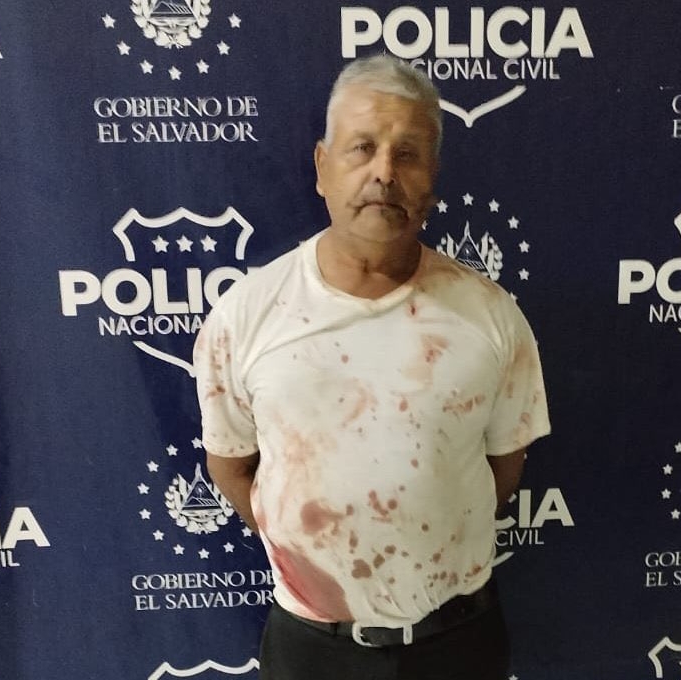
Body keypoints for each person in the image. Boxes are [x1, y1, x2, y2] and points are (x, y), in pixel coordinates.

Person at [192, 54, 551, 680]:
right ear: (322, 167)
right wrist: (306, 545)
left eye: (407, 154)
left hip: (457, 644)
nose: (384, 172)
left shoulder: (492, 317)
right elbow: (230, 464)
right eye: (362, 148)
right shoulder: (245, 316)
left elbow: (503, 466)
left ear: (432, 179)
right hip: (313, 651)